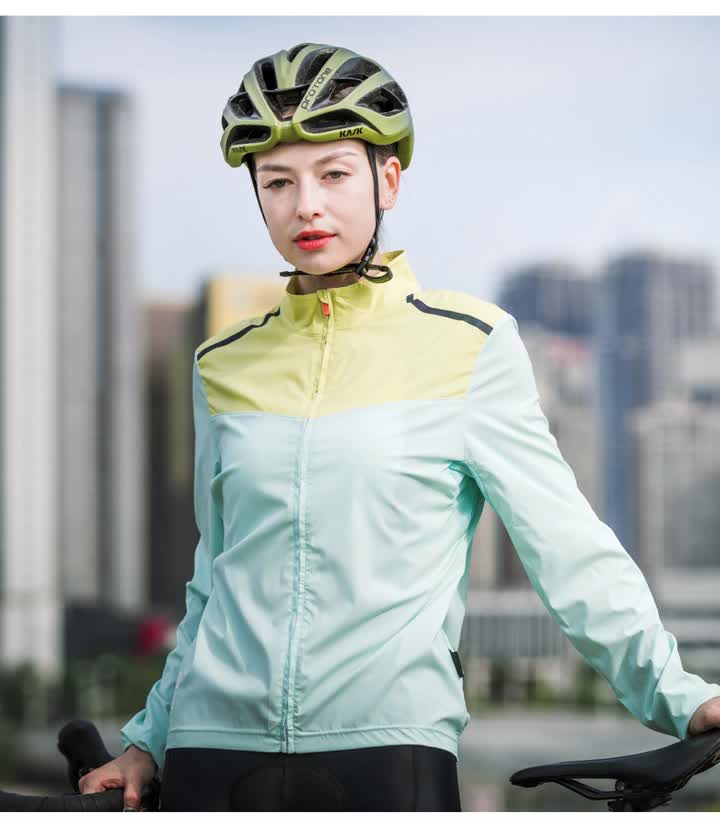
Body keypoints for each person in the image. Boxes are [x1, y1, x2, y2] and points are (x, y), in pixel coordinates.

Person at [80, 42, 720, 811]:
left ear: (388, 179)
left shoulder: (469, 344)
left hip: (387, 753)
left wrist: (679, 696)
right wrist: (148, 738)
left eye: (334, 174)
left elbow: (566, 545)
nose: (306, 205)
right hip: (212, 753)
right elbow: (215, 578)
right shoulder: (223, 362)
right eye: (277, 182)